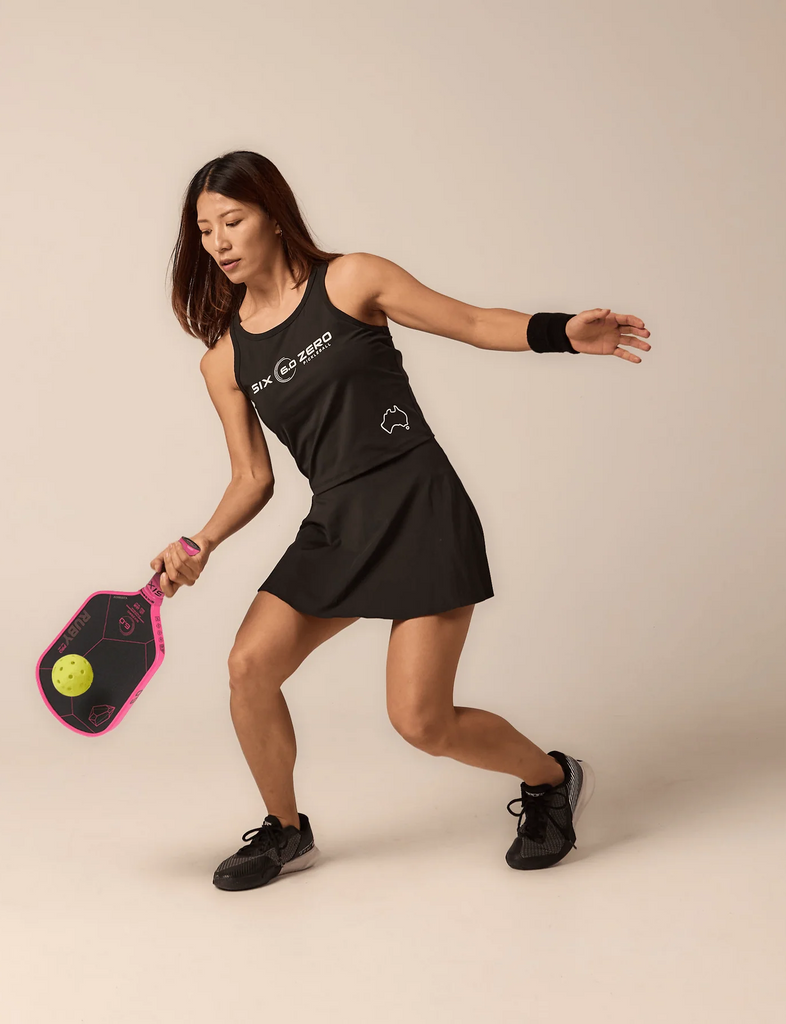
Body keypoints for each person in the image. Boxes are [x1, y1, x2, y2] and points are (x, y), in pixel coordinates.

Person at [152, 151, 651, 891]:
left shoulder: (352, 279)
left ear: (273, 217)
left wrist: (560, 331)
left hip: (419, 508)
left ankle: (552, 779)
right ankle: (286, 831)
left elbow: (475, 322)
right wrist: (200, 543)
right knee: (249, 668)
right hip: (337, 525)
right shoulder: (224, 360)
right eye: (204, 230)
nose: (219, 242)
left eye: (233, 220)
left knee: (422, 722)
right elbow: (252, 477)